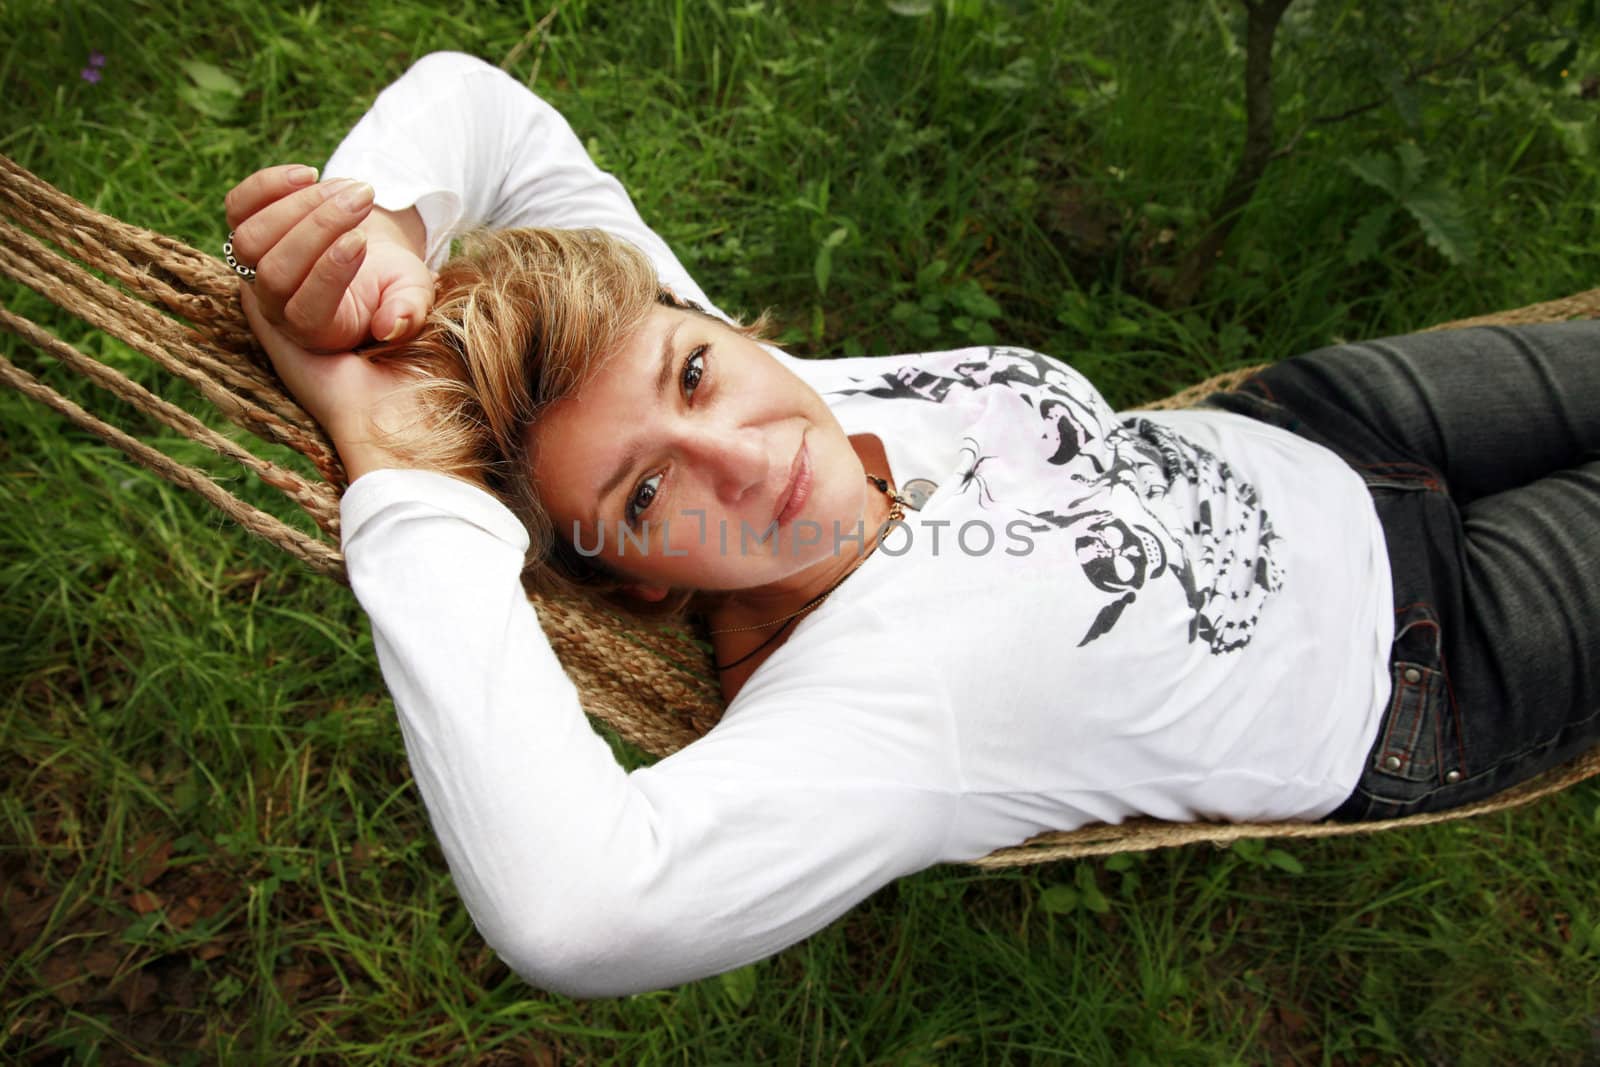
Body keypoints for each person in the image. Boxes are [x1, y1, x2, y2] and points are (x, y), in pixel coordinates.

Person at [227, 52, 1600, 998]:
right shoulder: (884, 717)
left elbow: (478, 108)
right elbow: (575, 909)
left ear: (707, 327)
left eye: (695, 374)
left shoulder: (757, 392)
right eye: (645, 495)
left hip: (1327, 423)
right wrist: (401, 472)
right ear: (633, 585)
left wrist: (383, 238)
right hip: (1433, 662)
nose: (741, 454)